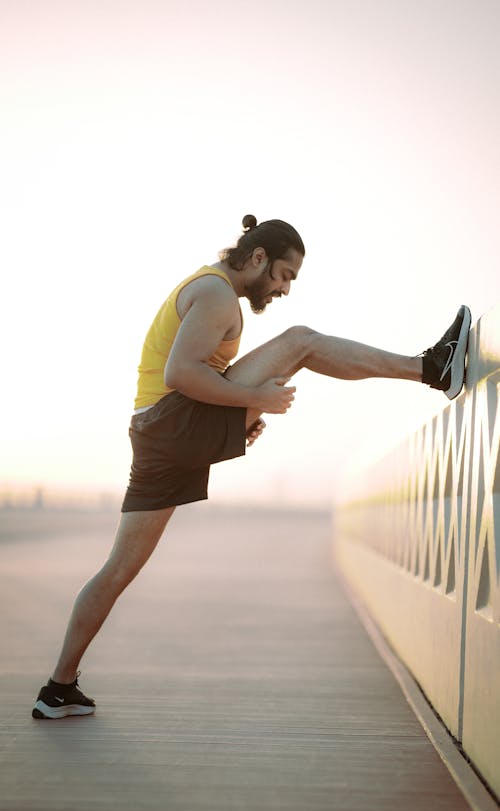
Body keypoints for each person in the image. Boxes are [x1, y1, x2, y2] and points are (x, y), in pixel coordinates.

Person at [32, 215, 471, 719]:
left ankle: (58, 687)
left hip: (157, 434)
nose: (284, 288)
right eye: (284, 274)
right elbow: (181, 373)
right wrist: (249, 397)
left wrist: (238, 416)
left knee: (119, 569)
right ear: (257, 258)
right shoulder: (216, 294)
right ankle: (432, 368)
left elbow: (191, 375)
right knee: (301, 340)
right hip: (170, 422)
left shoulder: (212, 289)